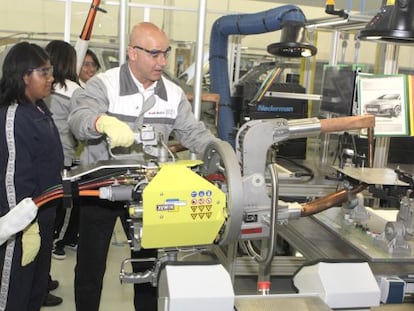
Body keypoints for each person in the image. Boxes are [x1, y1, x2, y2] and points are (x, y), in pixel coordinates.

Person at [68, 22, 219, 311]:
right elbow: (79, 118)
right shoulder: (105, 84)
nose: (163, 61)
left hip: (148, 193)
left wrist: (225, 155)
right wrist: (101, 121)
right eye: (154, 54)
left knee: (148, 268)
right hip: (101, 190)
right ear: (132, 53)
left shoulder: (172, 94)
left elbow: (195, 135)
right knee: (90, 266)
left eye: (166, 53)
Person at [0, 42, 64, 310]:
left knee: (36, 291)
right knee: (16, 293)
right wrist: (24, 225)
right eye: (44, 72)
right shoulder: (15, 115)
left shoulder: (39, 108)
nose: (51, 79)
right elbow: (13, 179)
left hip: (43, 216)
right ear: (24, 75)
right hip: (23, 224)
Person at [45, 40, 81, 262]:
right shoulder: (74, 90)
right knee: (63, 206)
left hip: (42, 156)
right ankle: (58, 242)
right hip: (64, 156)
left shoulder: (40, 87)